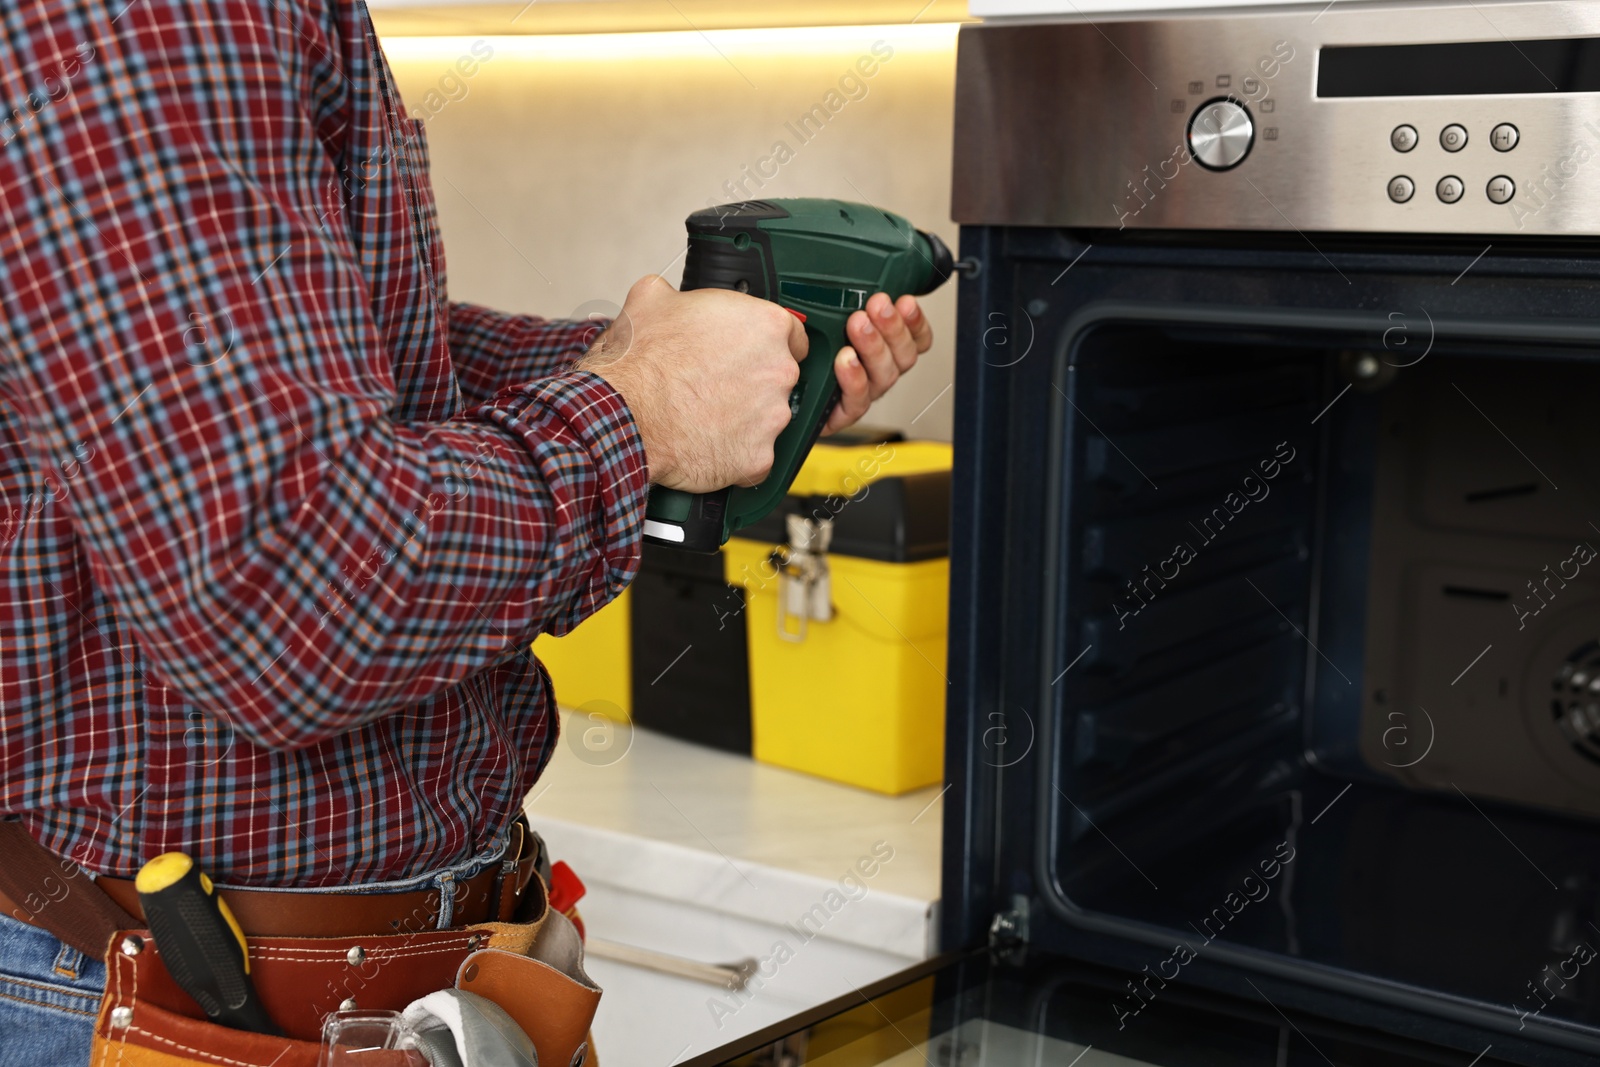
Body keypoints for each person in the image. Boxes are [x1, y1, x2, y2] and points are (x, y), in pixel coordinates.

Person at [0, 1, 933, 1062]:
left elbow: (312, 355)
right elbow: (295, 596)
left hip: (409, 964)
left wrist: (657, 368)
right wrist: (646, 406)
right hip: (180, 995)